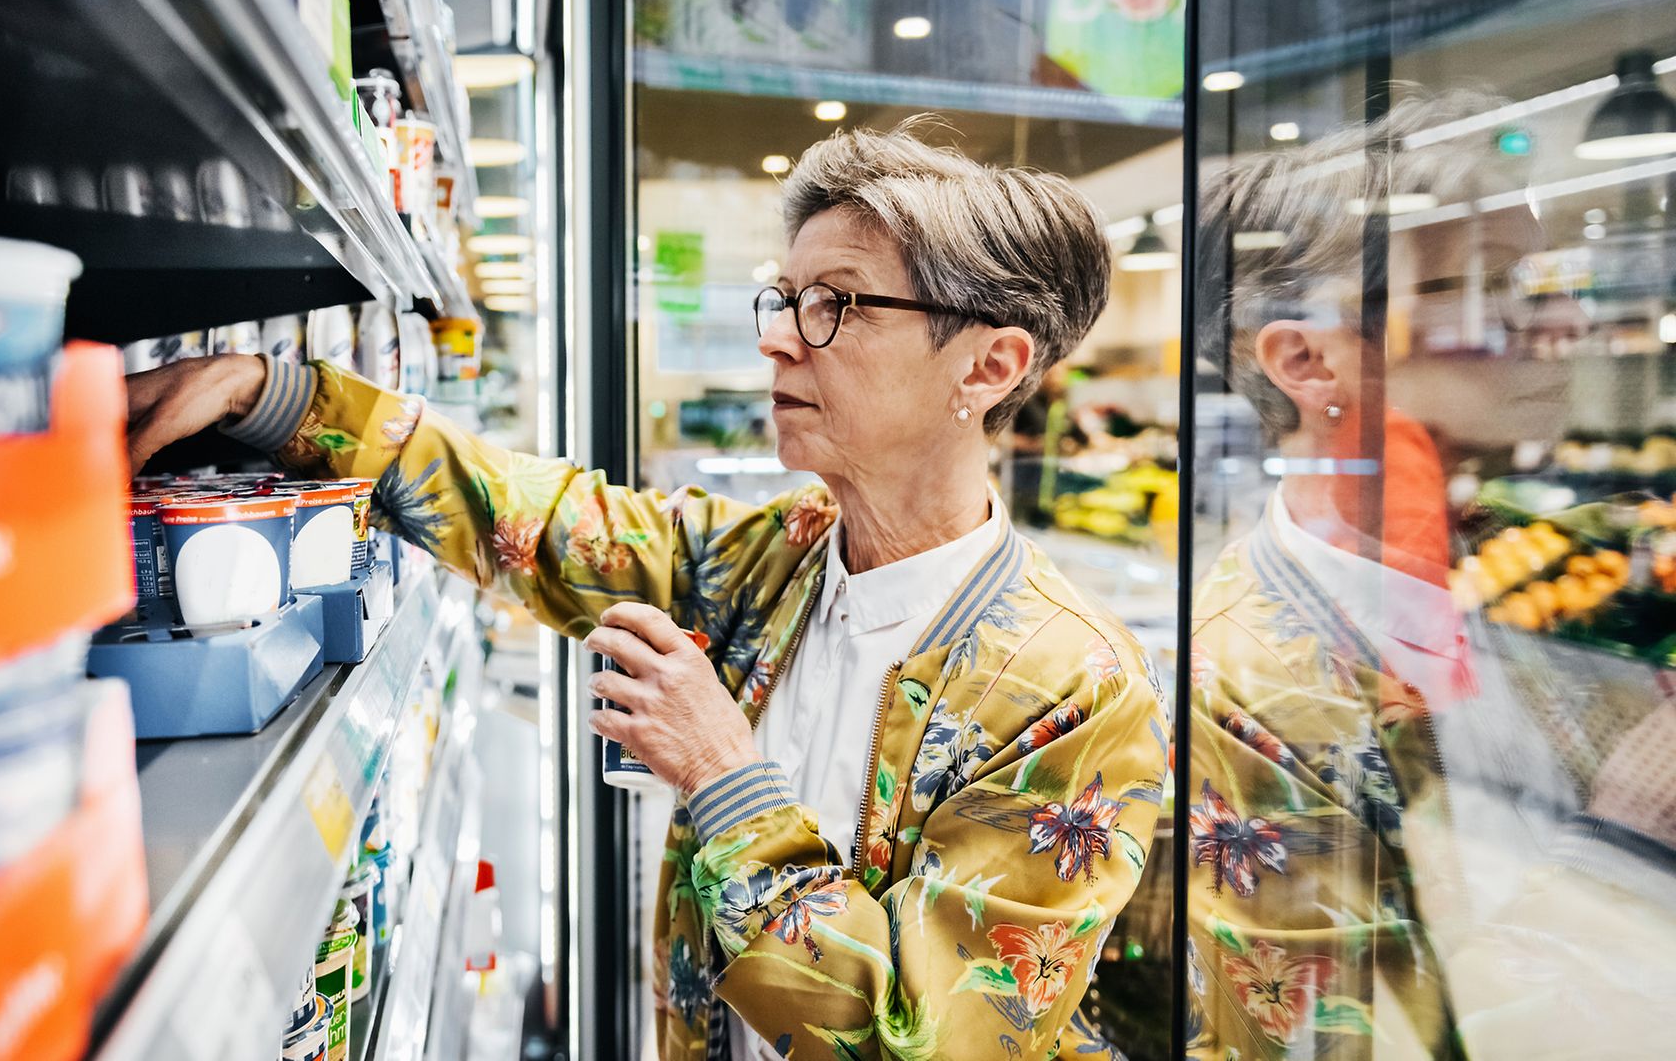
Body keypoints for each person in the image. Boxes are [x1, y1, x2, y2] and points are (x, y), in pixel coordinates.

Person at [124, 123, 1169, 1060]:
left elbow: (926, 1045)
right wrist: (281, 398)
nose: (776, 336)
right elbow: (548, 526)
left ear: (989, 366)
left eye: (834, 305)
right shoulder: (788, 554)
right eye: (783, 297)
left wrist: (725, 775)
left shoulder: (1075, 690)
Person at [1185, 91, 1675, 1059]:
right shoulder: (1249, 683)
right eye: (1495, 283)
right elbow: (1331, 1040)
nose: (1564, 321)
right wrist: (1625, 843)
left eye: (1545, 279)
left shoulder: (1492, 566)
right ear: (1308, 360)